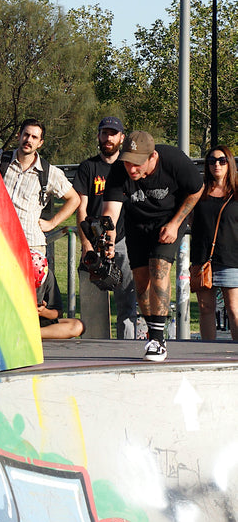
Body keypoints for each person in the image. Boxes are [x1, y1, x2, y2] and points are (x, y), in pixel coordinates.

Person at [102, 131, 204, 362]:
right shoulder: (119, 171)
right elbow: (111, 211)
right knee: (140, 280)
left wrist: (177, 223)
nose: (132, 169)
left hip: (167, 222)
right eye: (127, 162)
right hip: (136, 225)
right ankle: (153, 333)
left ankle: (158, 339)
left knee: (159, 267)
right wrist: (107, 241)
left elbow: (197, 189)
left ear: (153, 157)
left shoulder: (174, 160)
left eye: (137, 163)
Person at [0, 117, 80, 322]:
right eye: (26, 134)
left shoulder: (49, 173)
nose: (28, 140)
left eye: (34, 137)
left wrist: (52, 223)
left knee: (27, 303)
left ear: (40, 143)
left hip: (31, 247)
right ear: (18, 135)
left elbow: (74, 199)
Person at [74, 116, 138, 339]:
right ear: (99, 136)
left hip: (123, 241)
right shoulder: (88, 168)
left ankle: (126, 351)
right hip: (94, 242)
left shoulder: (128, 167)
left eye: (113, 133)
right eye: (104, 133)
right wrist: (85, 244)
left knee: (127, 303)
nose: (108, 138)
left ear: (121, 137)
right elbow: (81, 208)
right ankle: (95, 355)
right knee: (93, 308)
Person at [190, 146, 238, 341]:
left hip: (230, 258)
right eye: (211, 161)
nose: (216, 165)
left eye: (221, 160)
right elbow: (192, 220)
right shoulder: (199, 192)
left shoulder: (236, 193)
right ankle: (207, 352)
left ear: (229, 164)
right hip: (202, 258)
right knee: (205, 309)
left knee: (233, 309)